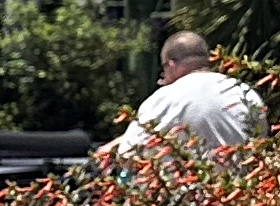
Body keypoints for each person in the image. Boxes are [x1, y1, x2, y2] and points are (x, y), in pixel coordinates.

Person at [110, 28, 266, 158]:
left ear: (171, 65)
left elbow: (128, 154)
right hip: (243, 184)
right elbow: (260, 141)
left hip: (185, 184)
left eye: (163, 69)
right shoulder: (245, 92)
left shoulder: (162, 99)